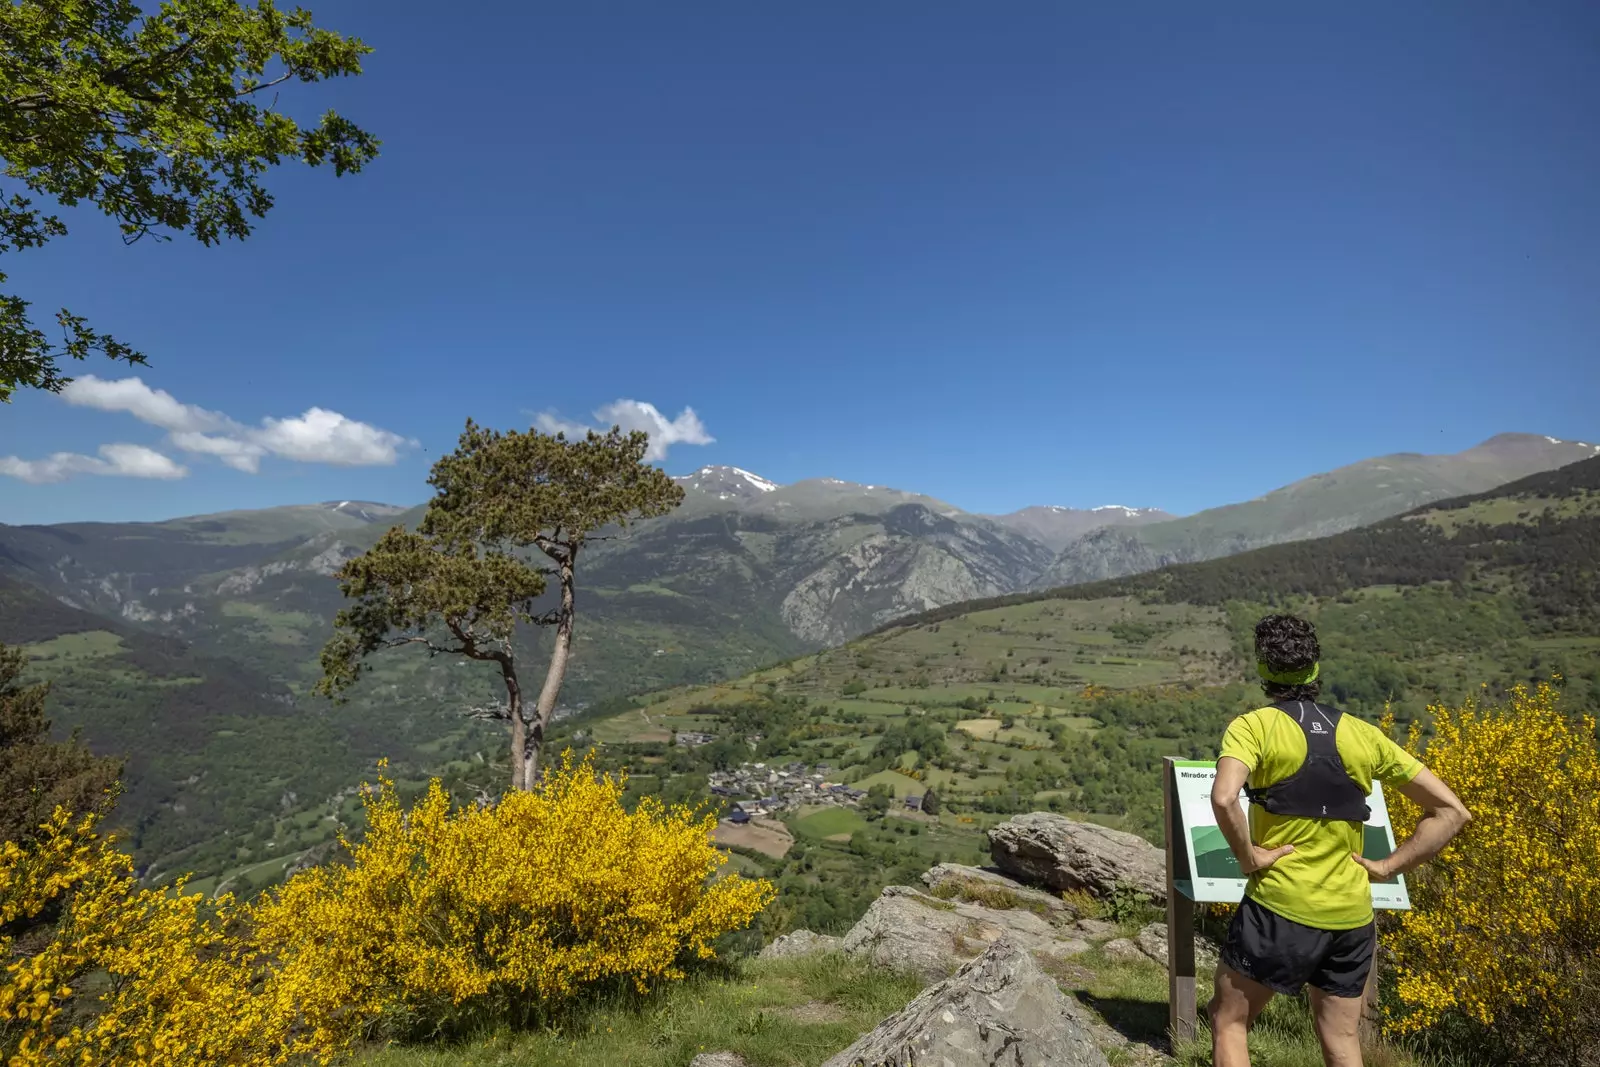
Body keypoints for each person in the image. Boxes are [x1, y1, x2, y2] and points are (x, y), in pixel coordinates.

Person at [1207, 614, 1471, 1067]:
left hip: (1281, 907)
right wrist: (1388, 867)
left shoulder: (1253, 727)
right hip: (1351, 917)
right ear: (1315, 670)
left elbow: (1225, 796)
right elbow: (1453, 812)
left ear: (1263, 670)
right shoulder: (1362, 734)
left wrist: (1249, 856)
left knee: (1229, 1021)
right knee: (1341, 1040)